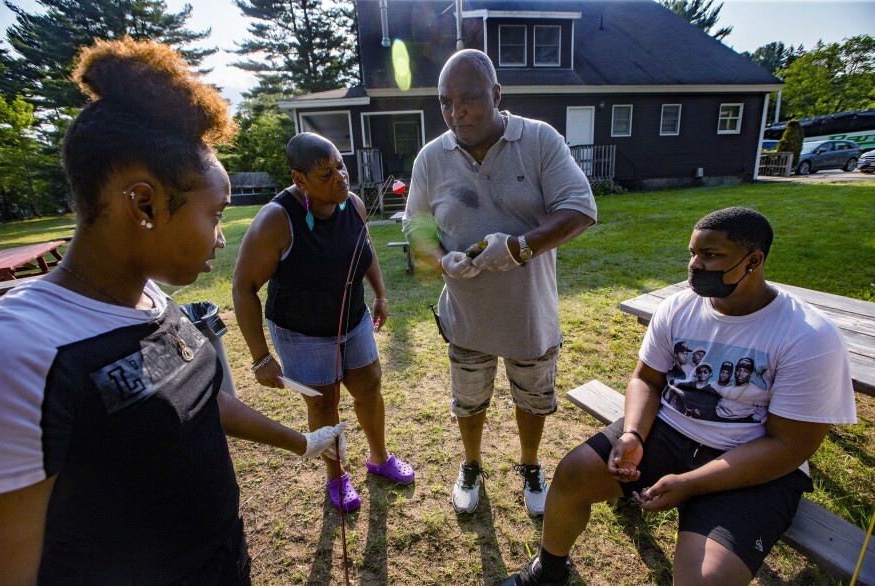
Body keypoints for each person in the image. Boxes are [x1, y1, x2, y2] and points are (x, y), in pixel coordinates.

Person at [0, 38, 349, 585]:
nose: (218, 240)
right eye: (215, 216)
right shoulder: (23, 355)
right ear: (144, 204)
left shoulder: (153, 302)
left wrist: (303, 442)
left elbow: (199, 400)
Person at [502, 207, 857, 585]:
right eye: (692, 252)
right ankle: (549, 572)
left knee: (705, 579)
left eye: (711, 255)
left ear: (754, 261)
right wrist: (633, 434)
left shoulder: (809, 337)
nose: (695, 265)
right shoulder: (679, 306)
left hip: (750, 460)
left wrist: (692, 483)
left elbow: (789, 447)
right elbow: (647, 380)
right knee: (572, 474)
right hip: (668, 430)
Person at [403, 49, 597, 517]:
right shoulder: (432, 157)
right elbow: (415, 225)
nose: (457, 112)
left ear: (497, 94)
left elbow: (581, 209)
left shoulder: (539, 141)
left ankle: (530, 466)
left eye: (469, 99)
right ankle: (471, 466)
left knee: (532, 399)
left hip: (529, 314)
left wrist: (517, 248)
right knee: (468, 402)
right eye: (446, 102)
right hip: (466, 317)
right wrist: (440, 260)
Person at [233, 132, 414, 513]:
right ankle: (336, 477)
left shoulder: (354, 205)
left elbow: (365, 253)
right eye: (326, 174)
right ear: (300, 180)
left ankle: (379, 459)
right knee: (324, 403)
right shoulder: (276, 220)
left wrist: (379, 295)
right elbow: (243, 287)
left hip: (354, 322)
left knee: (369, 386)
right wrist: (260, 357)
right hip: (302, 333)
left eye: (341, 167)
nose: (340, 179)